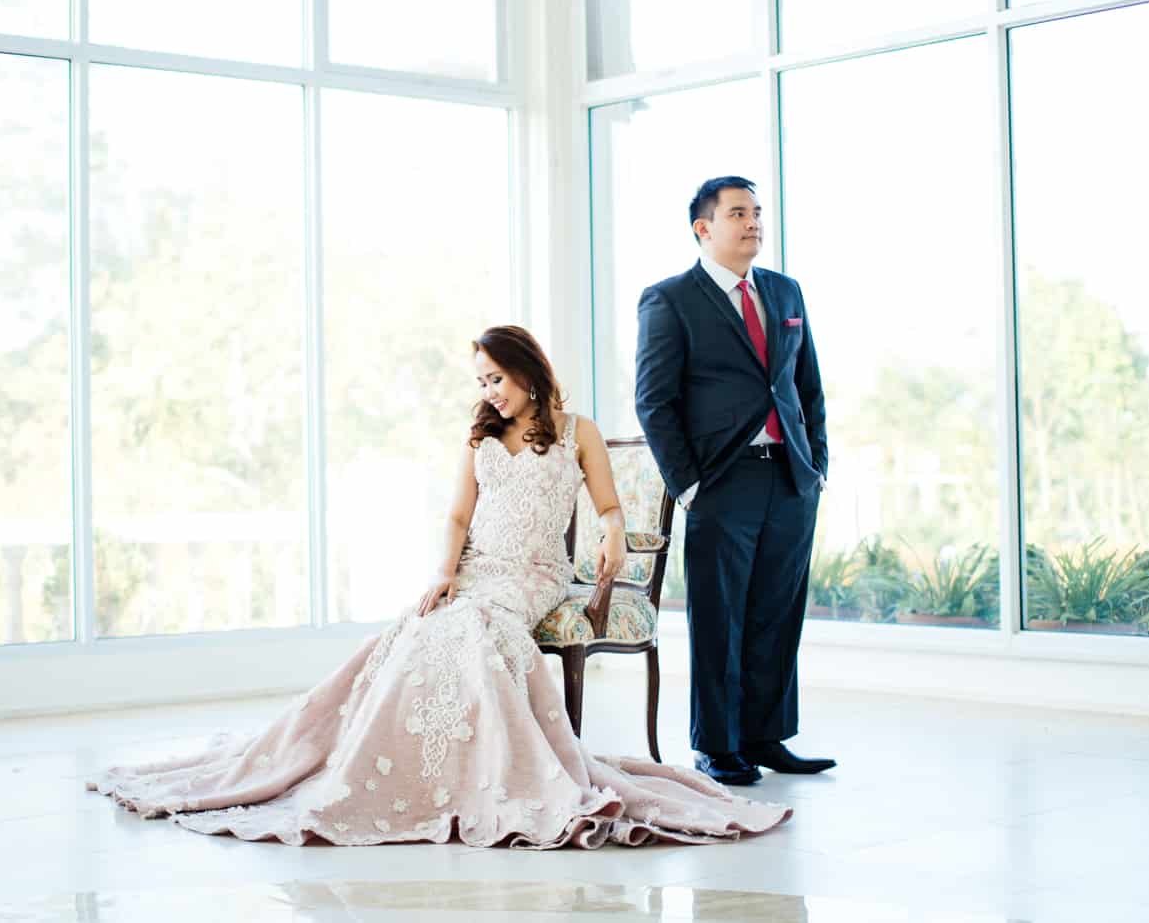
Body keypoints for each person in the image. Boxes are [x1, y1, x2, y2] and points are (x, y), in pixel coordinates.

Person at [89, 326, 790, 848]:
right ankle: (402, 768)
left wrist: (612, 534)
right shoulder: (480, 438)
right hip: (477, 568)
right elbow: (457, 517)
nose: (490, 392)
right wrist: (445, 573)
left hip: (534, 575)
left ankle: (480, 772)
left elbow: (608, 506)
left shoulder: (579, 432)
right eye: (482, 382)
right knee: (420, 633)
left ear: (528, 370)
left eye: (497, 377)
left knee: (478, 632)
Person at [634, 176, 835, 786]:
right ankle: (717, 746)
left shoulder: (784, 290)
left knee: (778, 613)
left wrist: (817, 465)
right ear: (704, 228)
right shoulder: (669, 299)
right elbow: (654, 402)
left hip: (791, 479)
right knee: (720, 618)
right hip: (722, 481)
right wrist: (688, 486)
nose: (753, 223)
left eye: (757, 212)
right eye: (738, 213)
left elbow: (806, 386)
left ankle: (765, 736)